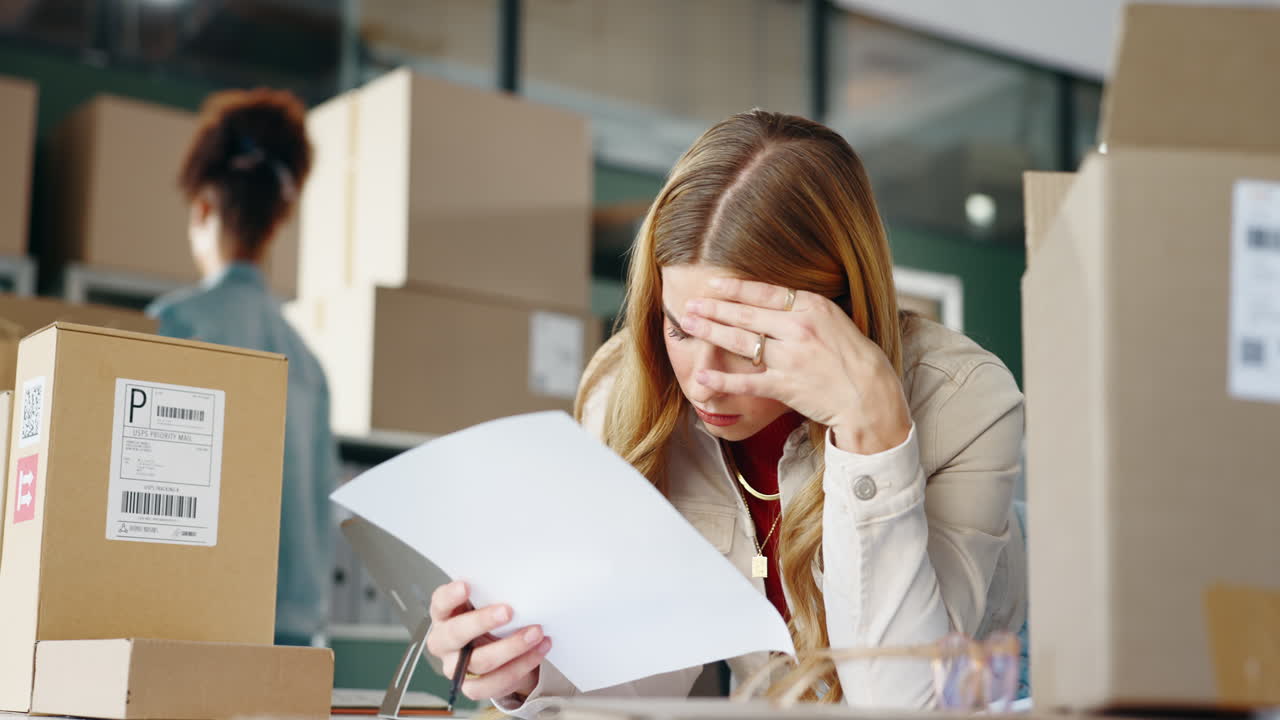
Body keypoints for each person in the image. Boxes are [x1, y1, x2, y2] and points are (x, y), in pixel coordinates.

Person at [424, 110, 1027, 713]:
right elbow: (642, 676)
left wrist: (871, 432)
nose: (704, 384)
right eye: (679, 330)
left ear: (837, 310)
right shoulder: (624, 390)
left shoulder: (964, 401)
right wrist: (525, 673)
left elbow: (901, 703)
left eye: (743, 341)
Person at [147, 88, 337, 647]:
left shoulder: (170, 325)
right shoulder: (307, 362)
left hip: (184, 636)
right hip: (294, 648)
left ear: (202, 208)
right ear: (280, 219)